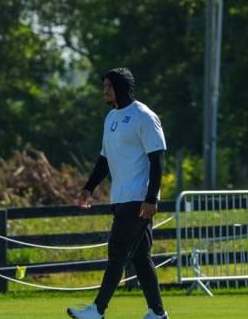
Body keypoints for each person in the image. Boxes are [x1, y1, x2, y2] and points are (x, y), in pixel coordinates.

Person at [68, 68, 169, 319]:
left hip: (138, 199)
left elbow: (157, 160)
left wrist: (151, 198)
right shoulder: (110, 118)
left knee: (117, 253)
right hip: (121, 197)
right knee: (141, 258)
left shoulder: (143, 116)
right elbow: (104, 160)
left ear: (123, 87)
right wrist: (88, 187)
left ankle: (97, 310)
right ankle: (157, 313)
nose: (105, 91)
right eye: (104, 87)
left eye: (110, 87)